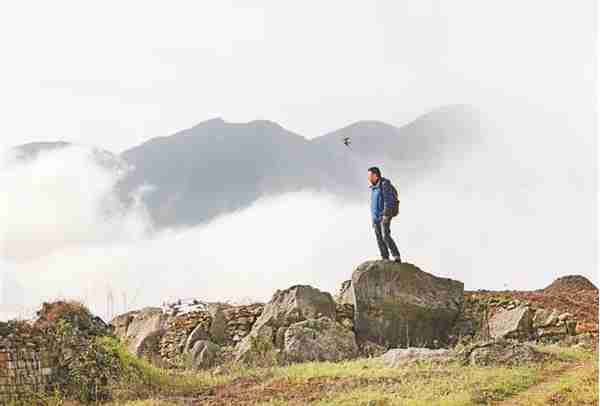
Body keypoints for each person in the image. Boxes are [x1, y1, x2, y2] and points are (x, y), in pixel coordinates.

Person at [368, 167, 401, 262]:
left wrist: (386, 214)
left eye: (369, 175)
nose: (368, 178)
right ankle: (385, 258)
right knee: (379, 239)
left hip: (384, 216)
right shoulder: (373, 188)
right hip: (376, 218)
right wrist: (373, 220)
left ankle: (396, 256)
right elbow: (373, 205)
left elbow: (388, 200)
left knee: (385, 236)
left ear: (375, 175)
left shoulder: (384, 185)